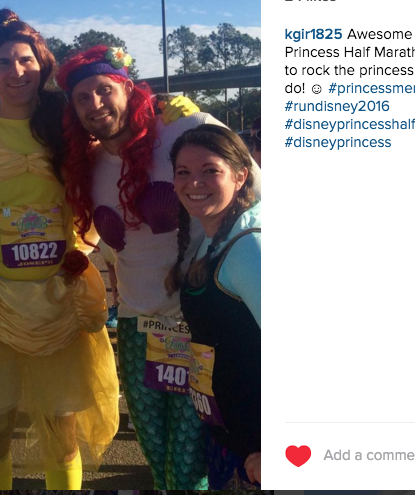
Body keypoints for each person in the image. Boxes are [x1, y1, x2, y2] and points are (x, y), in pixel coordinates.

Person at [56, 45, 260, 489]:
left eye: (104, 90)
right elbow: (112, 241)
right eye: (82, 97)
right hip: (136, 326)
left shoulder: (184, 128)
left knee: (188, 464)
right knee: (156, 455)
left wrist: (212, 258)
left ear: (128, 88)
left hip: (197, 326)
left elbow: (254, 190)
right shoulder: (90, 164)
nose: (95, 104)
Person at [0, 9, 119, 490]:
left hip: (56, 298)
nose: (16, 71)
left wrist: (86, 244)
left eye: (25, 60)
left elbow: (111, 171)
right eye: (3, 62)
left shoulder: (69, 127)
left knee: (62, 428)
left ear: (42, 65)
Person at [165, 124, 261, 490]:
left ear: (240, 176)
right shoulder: (215, 238)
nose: (194, 182)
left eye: (210, 170)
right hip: (231, 436)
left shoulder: (249, 247)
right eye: (183, 172)